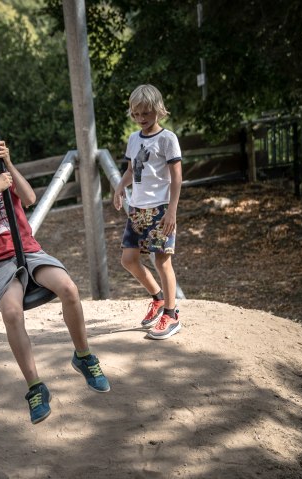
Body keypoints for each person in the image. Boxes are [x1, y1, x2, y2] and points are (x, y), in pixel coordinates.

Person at [0, 129, 110, 425]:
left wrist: (9, 167)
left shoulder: (7, 177)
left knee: (68, 287)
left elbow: (29, 198)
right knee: (12, 312)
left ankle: (84, 356)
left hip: (28, 251)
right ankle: (35, 387)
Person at [113, 84, 183, 340]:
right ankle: (157, 297)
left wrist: (172, 211)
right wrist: (120, 187)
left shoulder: (167, 139)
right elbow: (133, 170)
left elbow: (177, 177)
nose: (142, 118)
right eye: (137, 114)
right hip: (137, 209)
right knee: (128, 259)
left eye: (147, 113)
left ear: (158, 111)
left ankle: (171, 314)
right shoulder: (134, 139)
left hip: (161, 208)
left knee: (162, 260)